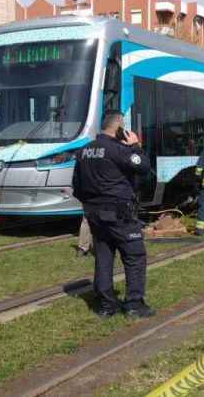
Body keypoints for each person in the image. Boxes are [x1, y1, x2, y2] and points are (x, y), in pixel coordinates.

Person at [72, 111, 154, 319]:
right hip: (119, 213)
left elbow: (77, 187)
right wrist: (135, 145)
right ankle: (134, 304)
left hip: (94, 214)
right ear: (118, 128)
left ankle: (106, 306)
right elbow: (143, 166)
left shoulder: (83, 151)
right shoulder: (118, 149)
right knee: (134, 255)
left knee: (104, 256)